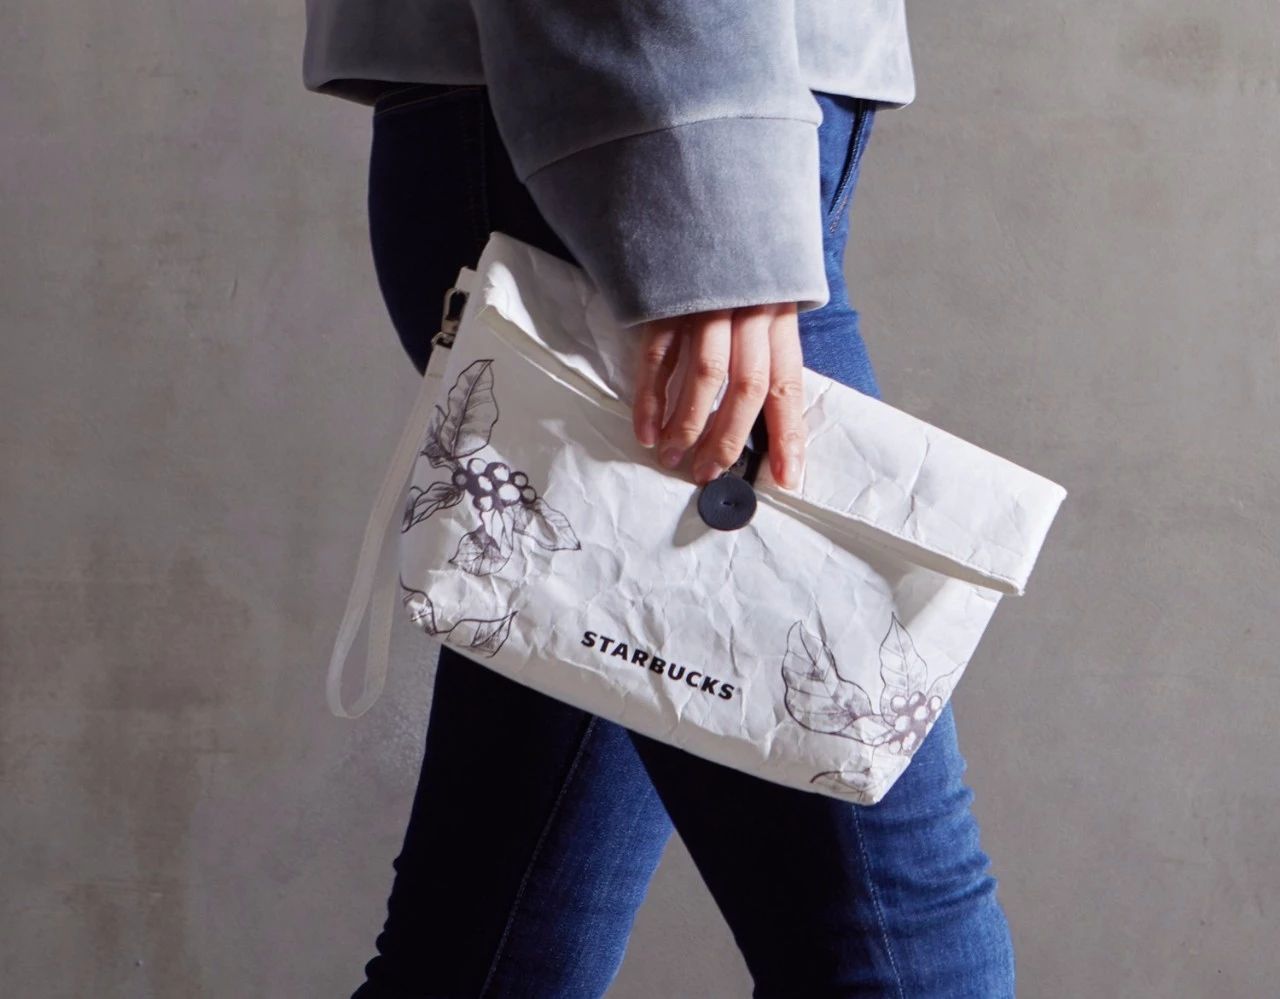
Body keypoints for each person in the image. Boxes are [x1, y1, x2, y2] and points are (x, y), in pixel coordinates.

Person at [305, 5, 1016, 996]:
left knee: (495, 957)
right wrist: (699, 199)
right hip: (635, 142)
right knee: (902, 957)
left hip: (634, 131)